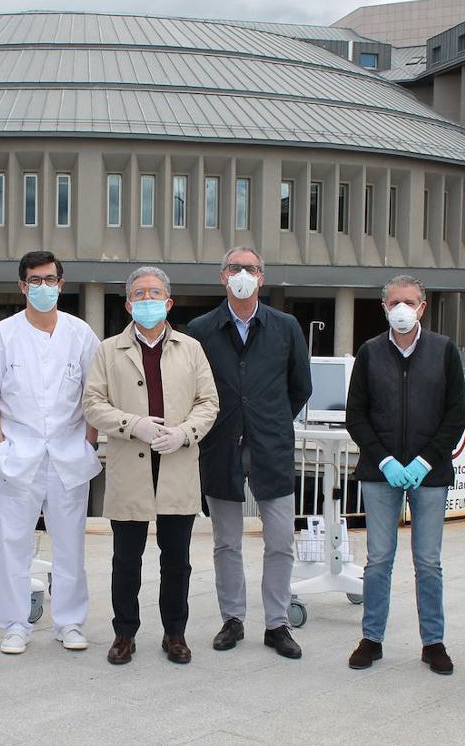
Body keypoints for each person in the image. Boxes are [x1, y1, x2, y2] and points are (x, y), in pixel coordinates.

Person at [0, 251, 102, 655]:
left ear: (62, 284)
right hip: (18, 456)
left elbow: (94, 394)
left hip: (68, 455)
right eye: (35, 281)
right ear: (23, 286)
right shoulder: (3, 335)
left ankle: (70, 622)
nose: (44, 287)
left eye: (51, 280)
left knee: (70, 545)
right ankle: (14, 624)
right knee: (12, 544)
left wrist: (89, 443)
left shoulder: (81, 334)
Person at [82, 266, 219, 665]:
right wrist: (133, 425)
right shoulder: (108, 350)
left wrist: (185, 433)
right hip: (131, 465)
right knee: (126, 559)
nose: (147, 300)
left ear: (169, 302)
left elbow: (209, 402)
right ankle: (124, 633)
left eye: (155, 293)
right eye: (139, 294)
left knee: (177, 560)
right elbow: (93, 403)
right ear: (127, 304)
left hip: (177, 464)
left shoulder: (191, 348)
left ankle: (174, 633)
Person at [186, 247, 311, 660]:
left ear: (263, 276)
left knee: (279, 540)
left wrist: (270, 420)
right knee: (227, 542)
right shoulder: (201, 328)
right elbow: (194, 389)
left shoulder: (286, 326)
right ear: (223, 276)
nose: (243, 274)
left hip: (270, 447)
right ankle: (233, 618)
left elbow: (300, 386)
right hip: (220, 446)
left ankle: (277, 624)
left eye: (251, 268)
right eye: (235, 268)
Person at [345, 275, 465, 675]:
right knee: (378, 559)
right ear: (384, 307)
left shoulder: (444, 351)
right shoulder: (369, 352)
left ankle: (433, 642)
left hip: (429, 475)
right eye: (395, 301)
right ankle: (371, 638)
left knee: (428, 562)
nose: (402, 308)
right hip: (381, 473)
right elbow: (356, 416)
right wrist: (384, 461)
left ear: (422, 307)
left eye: (409, 301)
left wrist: (425, 461)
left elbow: (456, 415)